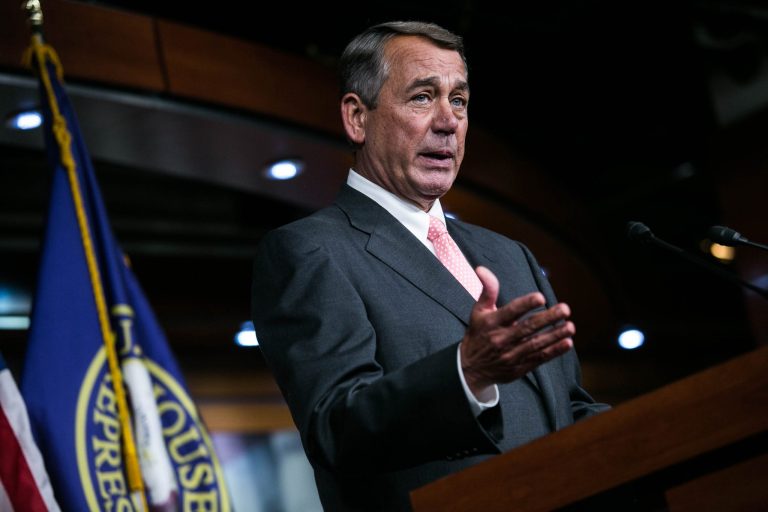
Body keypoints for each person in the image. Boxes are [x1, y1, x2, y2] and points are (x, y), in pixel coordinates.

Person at [251, 20, 609, 511]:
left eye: (458, 101)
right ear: (357, 118)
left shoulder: (510, 255)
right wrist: (464, 374)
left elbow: (567, 409)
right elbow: (337, 430)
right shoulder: (311, 251)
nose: (448, 121)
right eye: (422, 97)